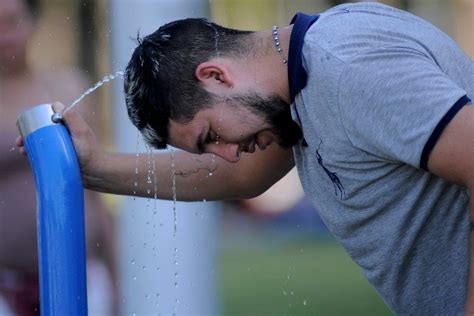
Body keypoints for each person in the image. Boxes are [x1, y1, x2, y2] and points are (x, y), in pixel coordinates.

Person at [18, 1, 473, 314]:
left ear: (215, 75)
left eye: (212, 135)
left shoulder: (347, 67)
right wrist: (93, 167)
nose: (228, 155)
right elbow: (236, 178)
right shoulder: (301, 90)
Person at [1, 0, 117, 315]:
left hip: (81, 269)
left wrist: (116, 270)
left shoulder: (66, 86)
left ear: (32, 22)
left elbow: (96, 182)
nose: (4, 35)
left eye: (12, 22)